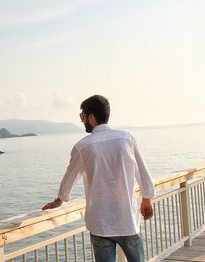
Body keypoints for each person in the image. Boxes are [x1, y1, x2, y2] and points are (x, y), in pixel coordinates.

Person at [42, 95, 154, 262]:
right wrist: (147, 198)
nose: (82, 121)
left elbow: (69, 177)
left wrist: (59, 200)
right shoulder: (126, 138)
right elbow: (142, 170)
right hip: (127, 218)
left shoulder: (83, 146)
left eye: (82, 116)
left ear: (92, 117)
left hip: (100, 223)